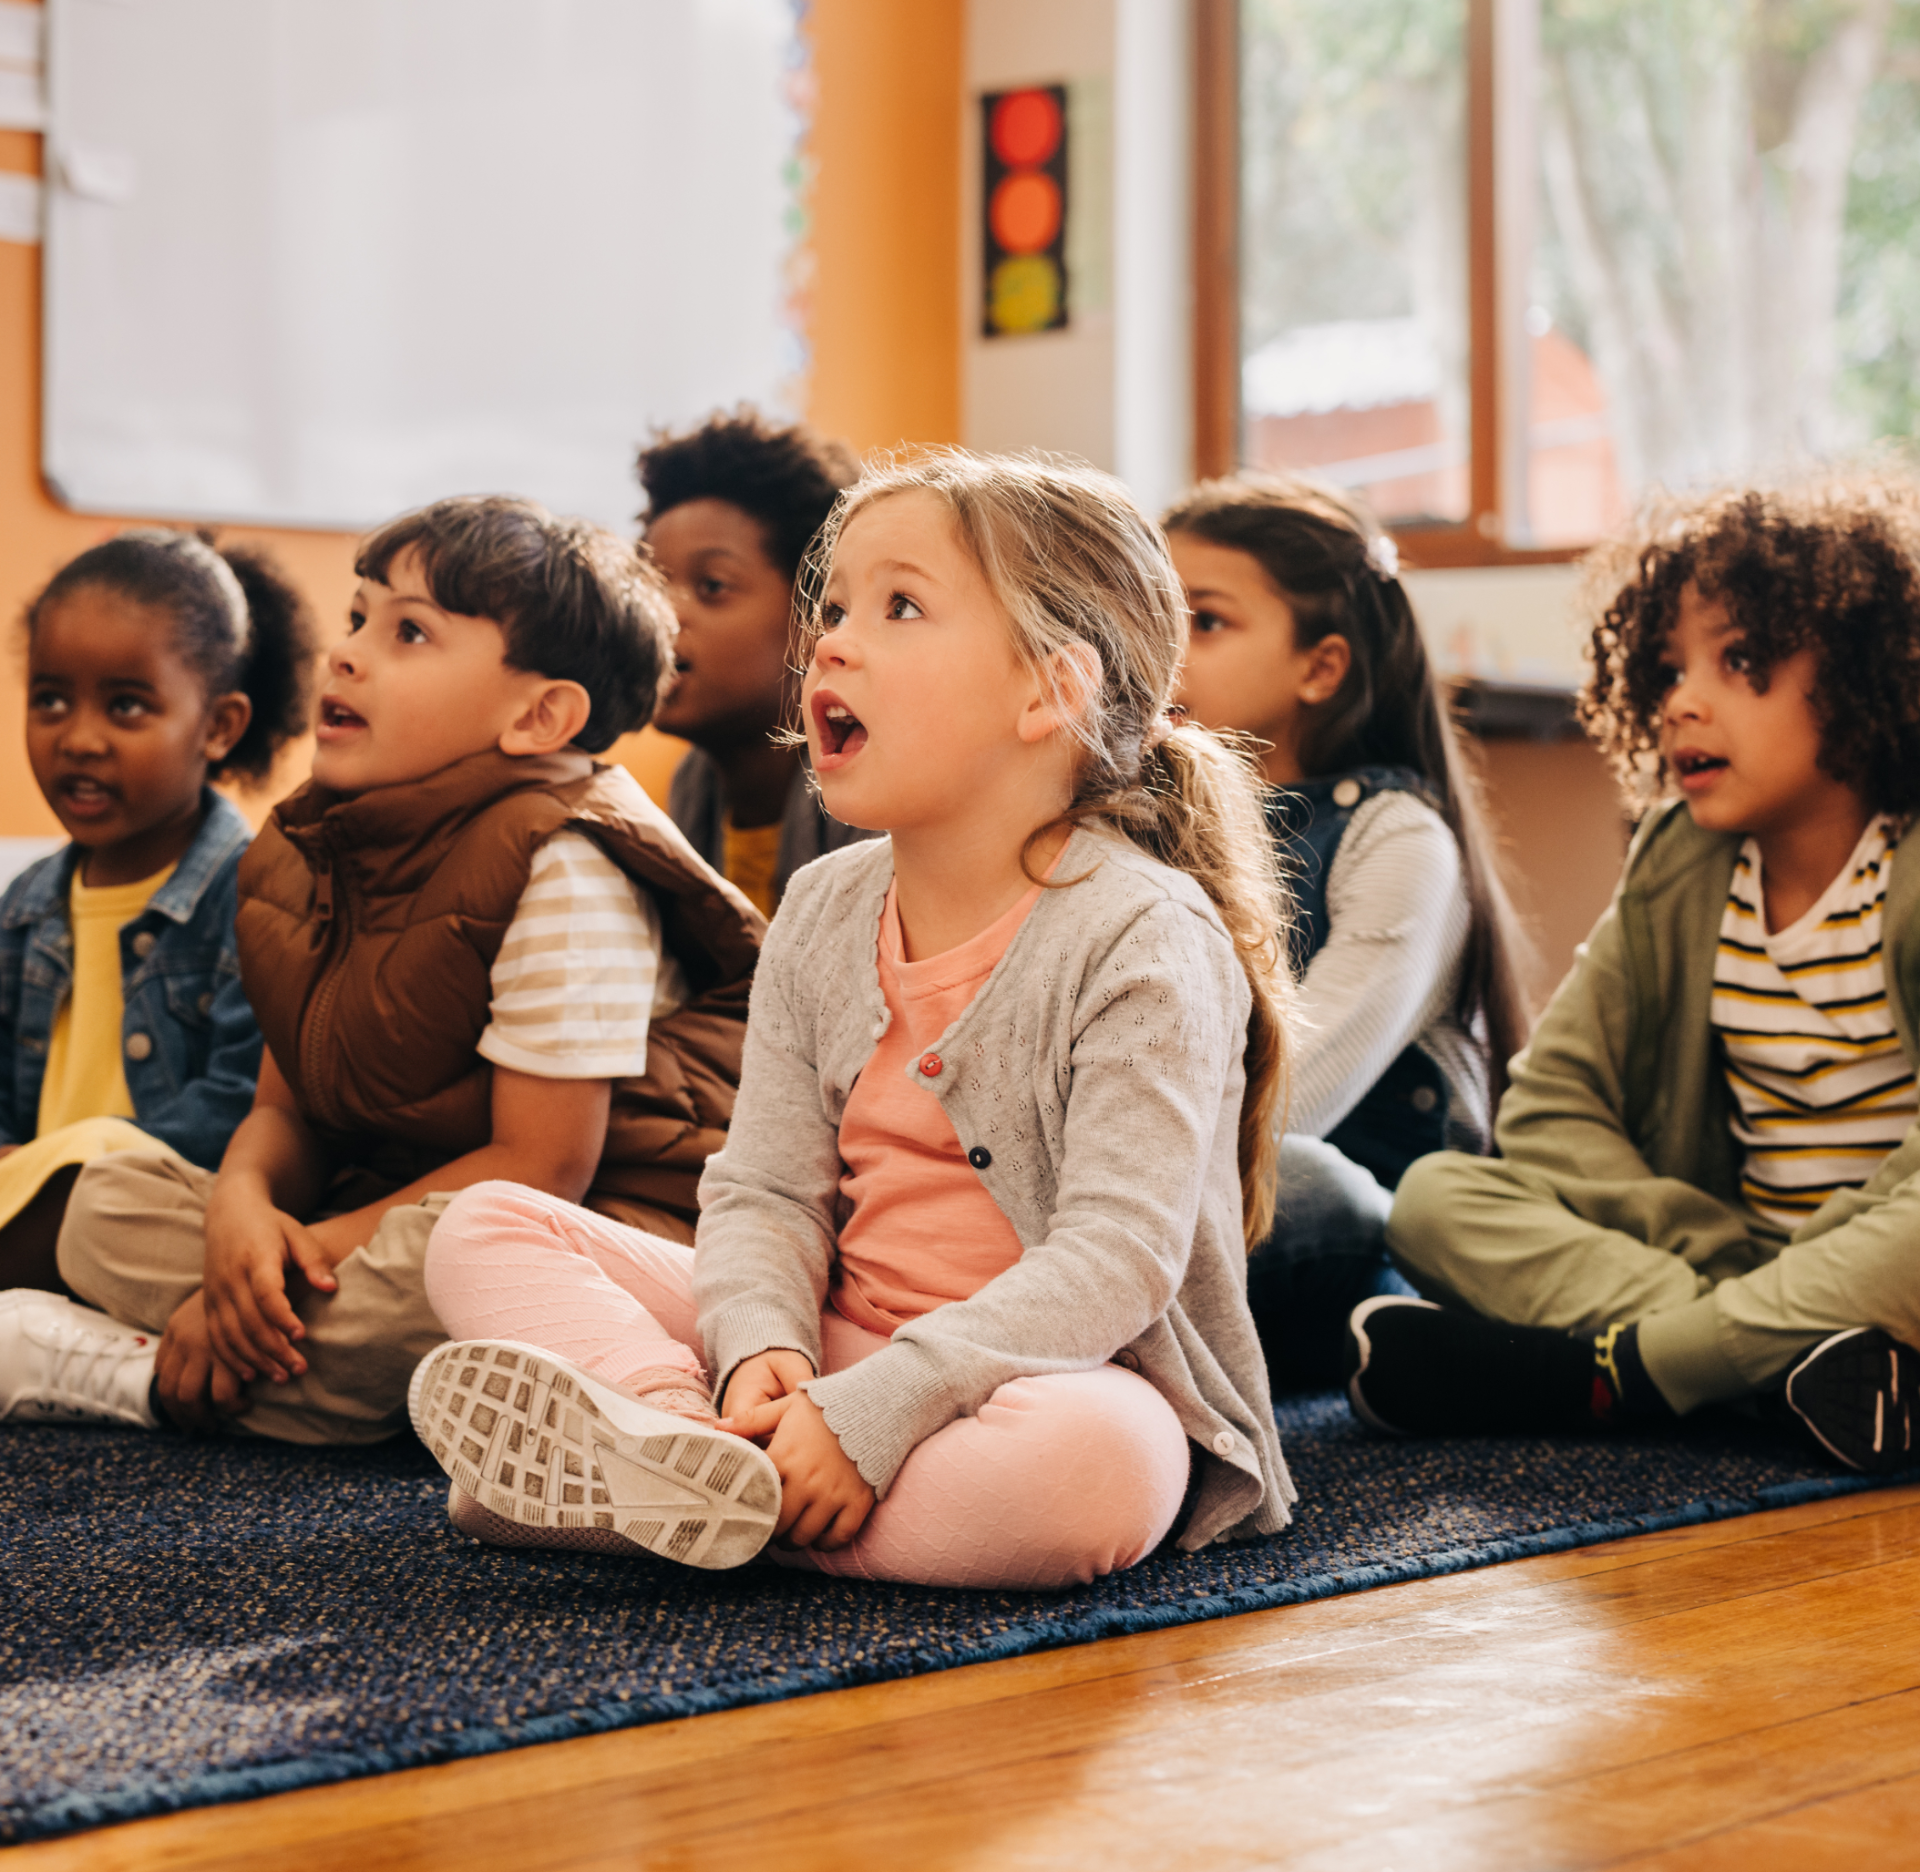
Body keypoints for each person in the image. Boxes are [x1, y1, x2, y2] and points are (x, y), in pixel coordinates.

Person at [412, 450, 1297, 1587]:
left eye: (901, 606)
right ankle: (687, 1445)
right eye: (833, 608)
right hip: (829, 1343)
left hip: (1037, 1378)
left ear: (1049, 690)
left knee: (1099, 1471)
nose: (828, 641)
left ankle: (690, 1497)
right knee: (486, 1224)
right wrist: (757, 1356)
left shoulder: (1142, 934)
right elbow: (766, 1190)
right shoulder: (828, 903)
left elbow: (1115, 1260)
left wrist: (875, 1414)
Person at [3, 496, 761, 1446]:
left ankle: (145, 1375)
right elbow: (285, 1109)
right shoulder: (314, 845)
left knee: (432, 1283)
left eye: (409, 632)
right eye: (358, 616)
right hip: (385, 1202)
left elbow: (540, 1167)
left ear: (539, 715)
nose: (349, 651)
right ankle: (388, 1392)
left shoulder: (569, 864)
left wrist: (296, 1256)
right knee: (104, 1209)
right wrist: (243, 1213)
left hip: (589, 1227)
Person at [1349, 473, 1920, 1475]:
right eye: (1665, 672)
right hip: (1745, 1267)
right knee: (1435, 1199)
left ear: (1873, 671)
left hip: (1888, 1262)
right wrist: (1722, 1258)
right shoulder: (1681, 859)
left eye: (1740, 659)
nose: (1681, 703)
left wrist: (1817, 1264)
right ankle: (1791, 1377)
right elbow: (1551, 1104)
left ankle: (1609, 1374)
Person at [1161, 475, 1529, 1389]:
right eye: (1152, 613)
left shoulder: (1397, 839)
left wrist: (1113, 1174)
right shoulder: (1147, 823)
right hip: (1161, 1184)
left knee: (1311, 1183)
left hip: (1331, 1214)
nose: (1163, 650)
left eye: (1203, 621)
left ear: (1320, 668)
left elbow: (1298, 1094)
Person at [0, 529, 316, 1290]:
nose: (79, 738)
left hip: (158, 1209)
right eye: (50, 699)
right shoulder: (26, 905)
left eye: (126, 706)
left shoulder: (257, 893)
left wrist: (66, 1157)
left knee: (94, 1208)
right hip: (36, 1205)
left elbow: (240, 1106)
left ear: (218, 727)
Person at [638, 409, 874, 916]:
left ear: (817, 614)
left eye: (712, 586)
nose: (662, 611)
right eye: (652, 584)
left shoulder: (875, 806)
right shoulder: (692, 790)